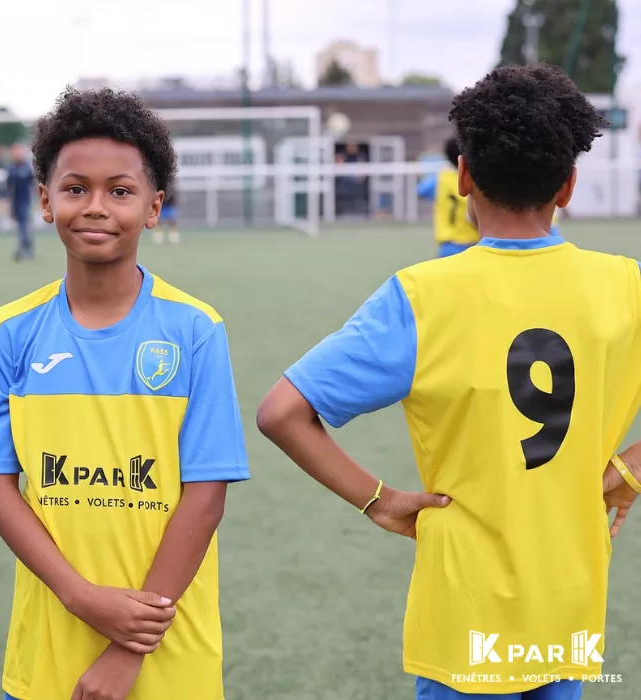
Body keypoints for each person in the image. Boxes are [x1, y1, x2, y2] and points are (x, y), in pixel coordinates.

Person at [257, 63, 641, 699]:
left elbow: (281, 412)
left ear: (463, 174)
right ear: (569, 185)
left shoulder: (420, 298)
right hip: (570, 596)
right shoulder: (626, 285)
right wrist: (627, 471)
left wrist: (377, 499)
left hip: (466, 607)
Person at [0, 86, 249, 700]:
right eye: (76, 189)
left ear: (154, 207)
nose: (96, 206)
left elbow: (205, 499)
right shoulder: (9, 331)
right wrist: (81, 597)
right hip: (50, 649)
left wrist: (126, 648)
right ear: (45, 201)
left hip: (165, 651)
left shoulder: (195, 330)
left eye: (120, 191)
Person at [417, 137, 480, 257]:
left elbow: (421, 190)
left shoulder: (441, 179)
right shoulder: (478, 180)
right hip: (476, 243)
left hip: (449, 245)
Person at [7, 144, 36, 261]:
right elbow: (8, 186)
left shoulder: (26, 168)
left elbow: (33, 184)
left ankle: (22, 248)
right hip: (15, 202)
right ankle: (27, 246)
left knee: (23, 225)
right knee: (20, 226)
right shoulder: (11, 169)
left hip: (25, 201)